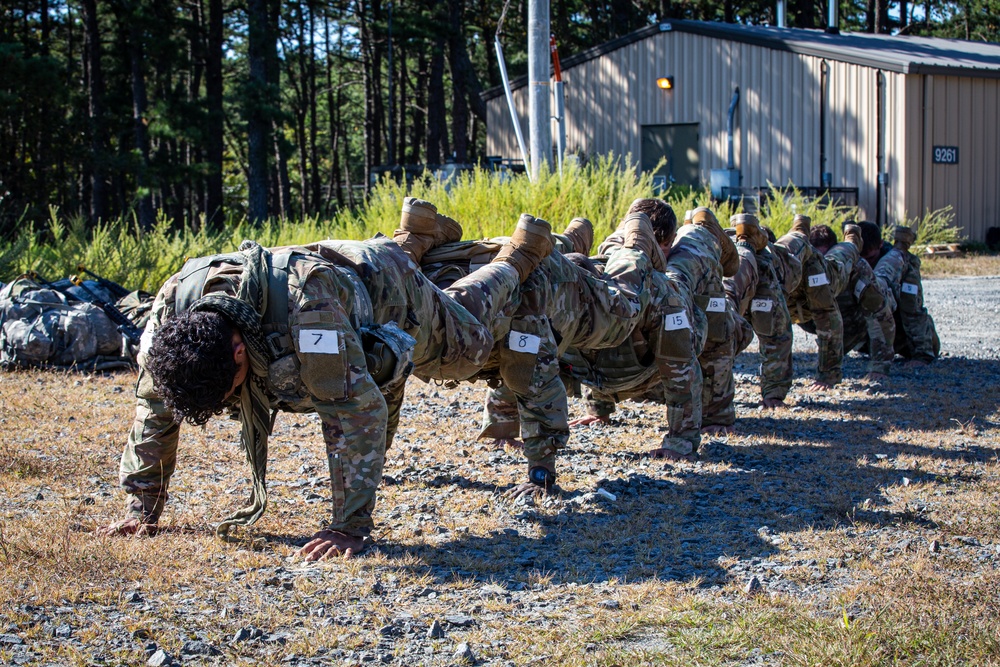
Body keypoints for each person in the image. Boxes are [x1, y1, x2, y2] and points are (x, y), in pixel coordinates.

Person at [99, 202, 553, 560]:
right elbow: (153, 411)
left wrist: (348, 526)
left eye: (228, 394)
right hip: (331, 265)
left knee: (466, 345)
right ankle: (416, 234)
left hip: (383, 286)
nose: (229, 405)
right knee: (396, 281)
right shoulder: (173, 312)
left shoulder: (308, 319)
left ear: (240, 352)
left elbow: (357, 410)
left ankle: (518, 255)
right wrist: (142, 510)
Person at [420, 211, 661, 494]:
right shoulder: (411, 306)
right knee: (534, 267)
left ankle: (636, 237)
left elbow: (536, 383)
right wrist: (501, 430)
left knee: (625, 304)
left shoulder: (522, 314)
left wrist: (540, 473)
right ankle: (574, 237)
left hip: (575, 294)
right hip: (517, 256)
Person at [774, 215, 862, 389]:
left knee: (847, 250)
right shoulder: (766, 267)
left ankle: (852, 233)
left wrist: (827, 375)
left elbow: (828, 319)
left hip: (830, 274)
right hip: (795, 288)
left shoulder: (813, 271)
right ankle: (800, 226)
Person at [727, 213, 799, 408]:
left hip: (743, 276)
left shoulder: (770, 261)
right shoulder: (773, 260)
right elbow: (778, 338)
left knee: (721, 329)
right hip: (747, 276)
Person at [866, 224, 940, 366]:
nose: (867, 262)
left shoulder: (900, 263)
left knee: (909, 305)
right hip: (881, 330)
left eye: (870, 257)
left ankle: (922, 350)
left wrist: (922, 356)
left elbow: (913, 311)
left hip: (904, 332)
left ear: (880, 245)